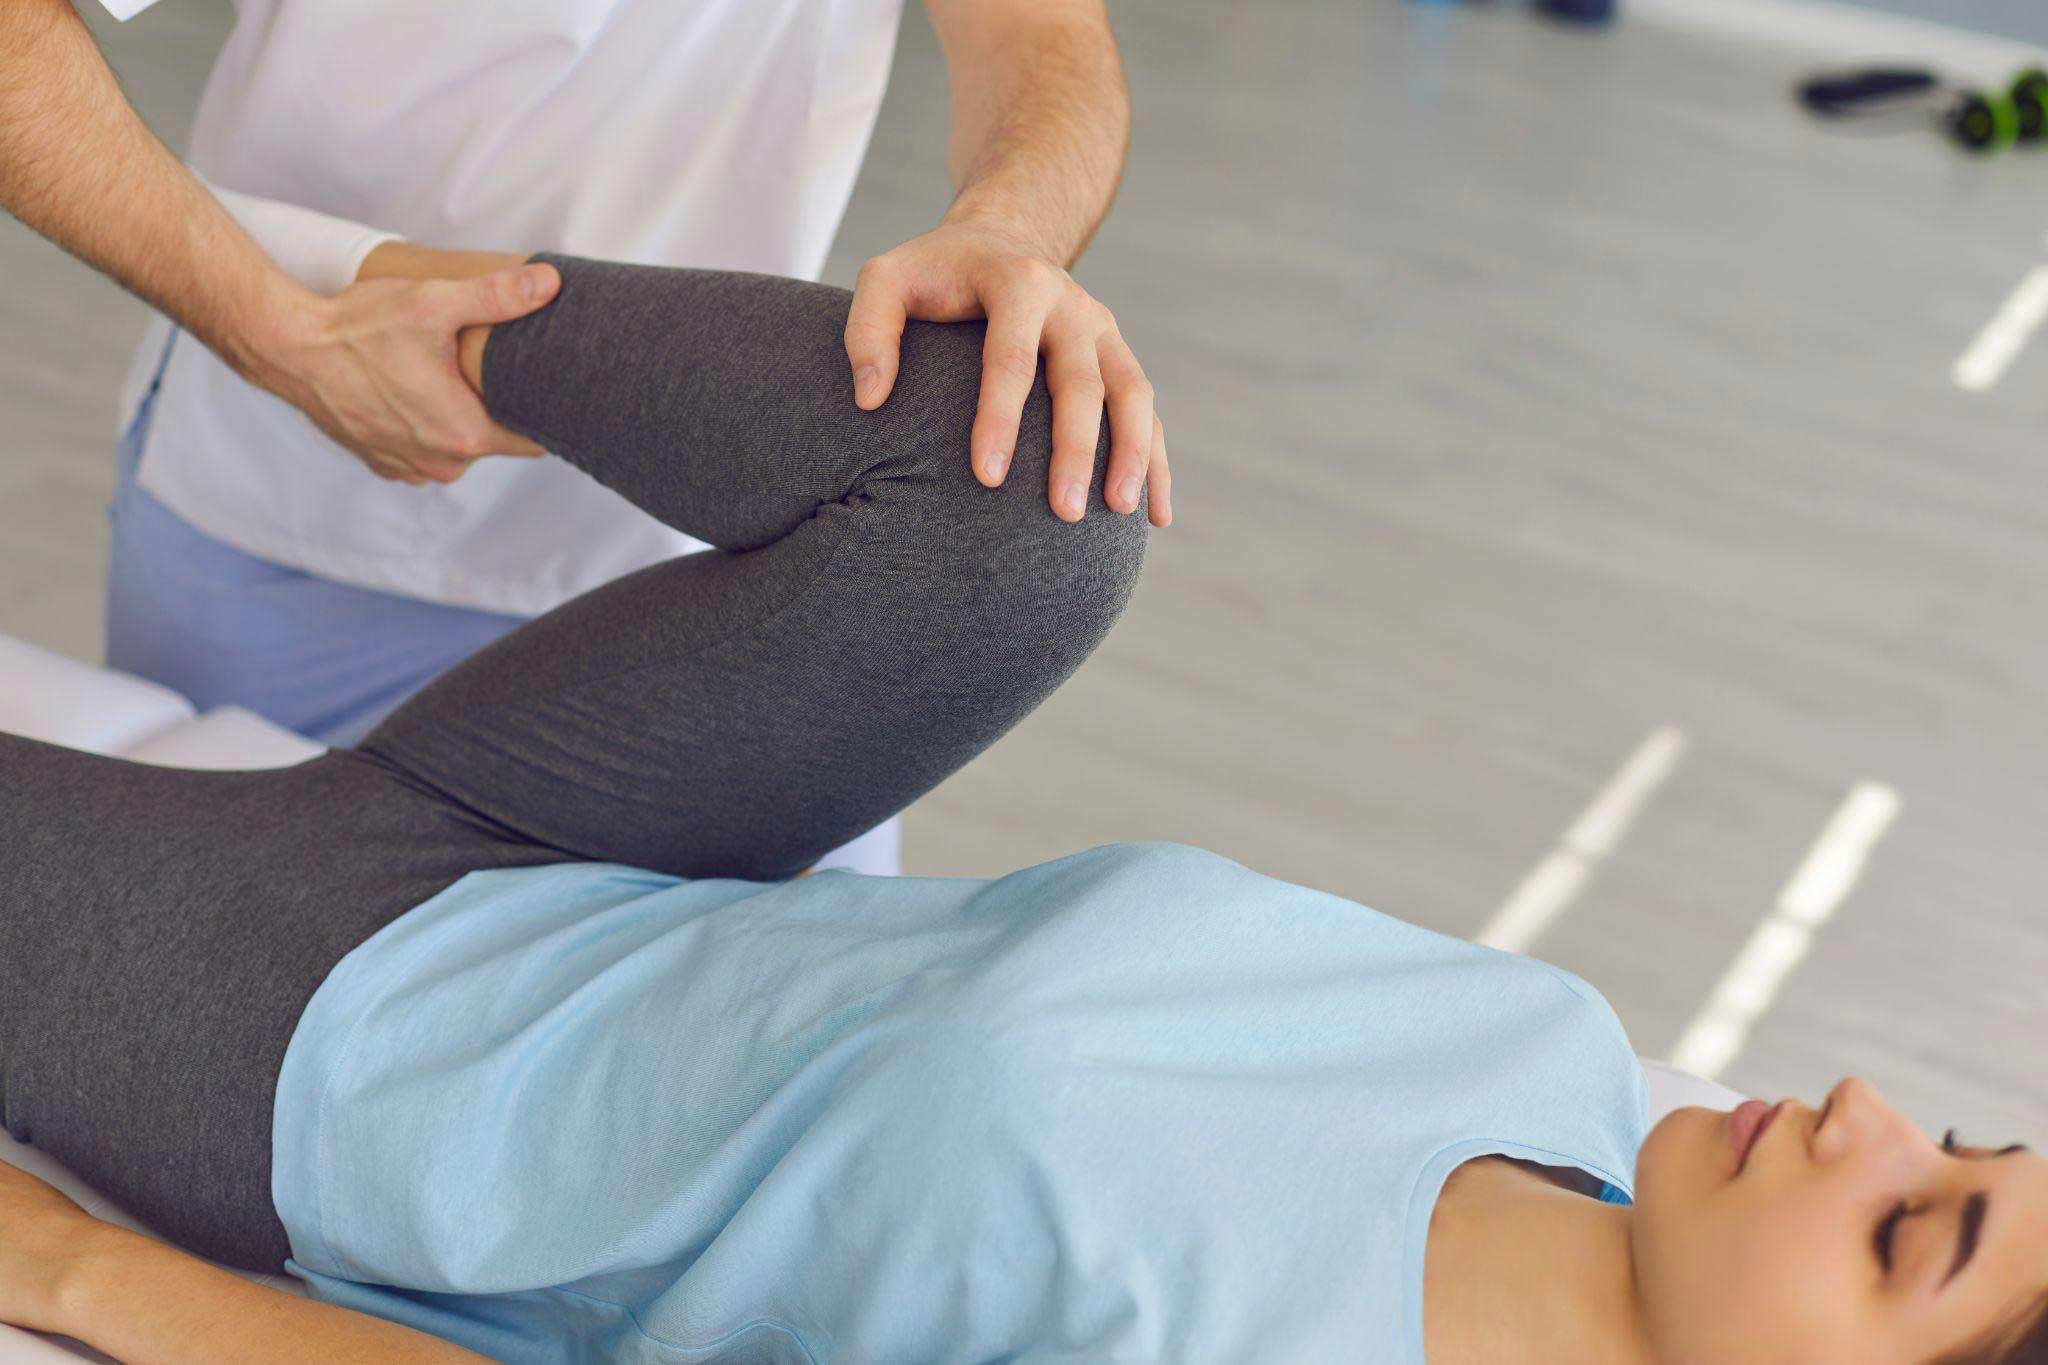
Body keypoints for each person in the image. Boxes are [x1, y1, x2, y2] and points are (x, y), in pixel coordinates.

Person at [2, 253, 2042, 1364]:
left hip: (327, 1041)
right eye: (1958, 1138)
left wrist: (74, 1274)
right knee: (1027, 485)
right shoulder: (1564, 1069)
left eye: (1911, 1229)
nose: (1864, 1115)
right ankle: (403, 318)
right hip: (618, 850)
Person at [1, 0, 1165, 876]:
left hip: (716, 568)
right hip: (285, 511)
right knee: (213, 964)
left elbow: (1040, 33)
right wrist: (276, 332)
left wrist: (1011, 223)